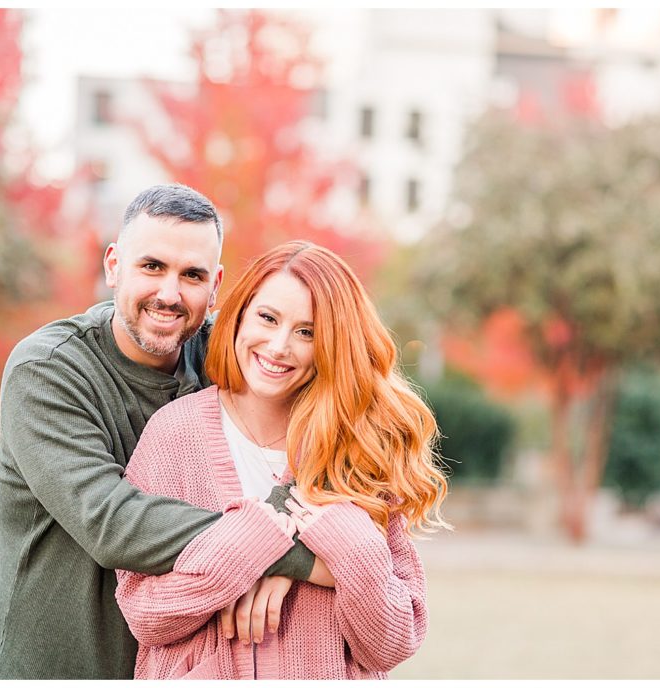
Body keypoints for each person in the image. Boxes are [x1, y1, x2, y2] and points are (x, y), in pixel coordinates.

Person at [0, 184, 327, 680]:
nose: (169, 293)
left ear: (215, 287)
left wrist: (286, 515)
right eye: (152, 267)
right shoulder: (49, 370)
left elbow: (339, 424)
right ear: (113, 265)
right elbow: (110, 521)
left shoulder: (234, 358)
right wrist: (286, 551)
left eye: (192, 275)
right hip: (59, 669)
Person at [115, 241, 451, 679]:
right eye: (268, 318)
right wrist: (257, 550)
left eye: (307, 332)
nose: (278, 346)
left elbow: (392, 642)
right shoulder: (174, 434)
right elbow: (146, 615)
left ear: (332, 344)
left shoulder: (358, 450)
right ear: (239, 316)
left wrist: (353, 551)